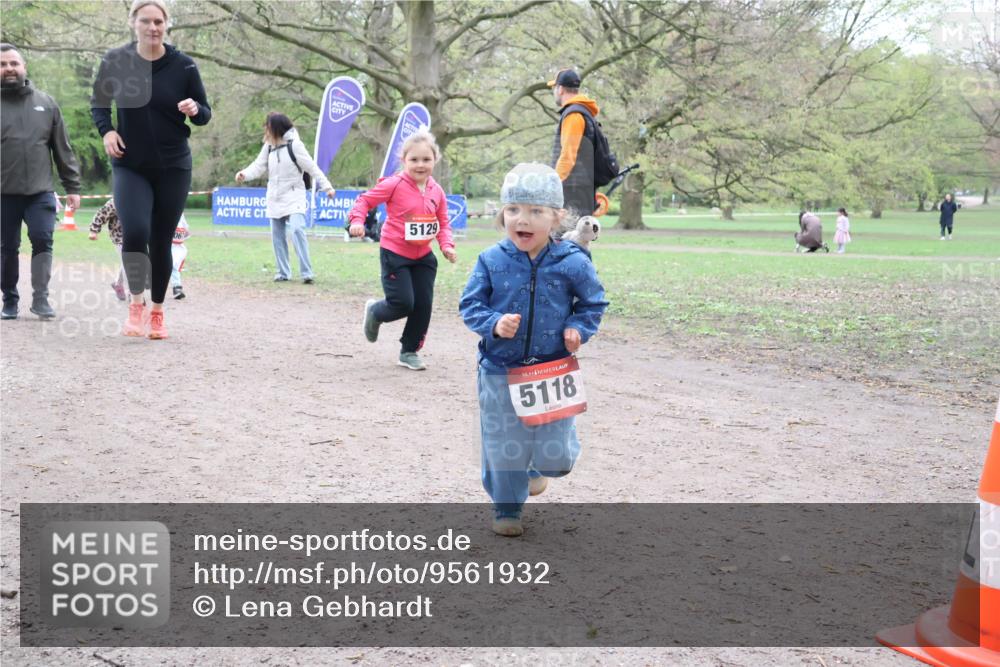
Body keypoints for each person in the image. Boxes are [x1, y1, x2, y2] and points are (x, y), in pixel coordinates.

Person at [459, 163, 608, 537]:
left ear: (557, 217)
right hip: (499, 367)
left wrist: (578, 327)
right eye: (513, 210)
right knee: (502, 443)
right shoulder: (490, 260)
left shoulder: (572, 261)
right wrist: (493, 322)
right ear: (502, 214)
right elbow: (470, 305)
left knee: (556, 458)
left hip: (552, 370)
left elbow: (594, 303)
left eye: (536, 212)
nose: (522, 220)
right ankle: (507, 507)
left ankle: (539, 469)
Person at [91, 0, 211, 339]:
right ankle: (135, 304)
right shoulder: (115, 61)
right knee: (136, 231)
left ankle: (157, 311)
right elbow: (99, 105)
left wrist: (194, 108)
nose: (153, 27)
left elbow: (205, 113)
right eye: (146, 21)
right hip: (130, 164)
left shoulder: (184, 66)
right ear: (134, 23)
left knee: (161, 240)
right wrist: (108, 131)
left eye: (159, 21)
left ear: (167, 25)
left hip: (173, 166)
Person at [349, 130, 457, 371]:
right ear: (404, 161)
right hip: (395, 254)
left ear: (434, 161)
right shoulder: (394, 184)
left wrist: (447, 245)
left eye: (426, 160)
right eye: (414, 160)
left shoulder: (436, 191)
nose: (420, 165)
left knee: (423, 306)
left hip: (423, 258)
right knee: (403, 303)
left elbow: (443, 223)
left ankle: (409, 351)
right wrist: (357, 221)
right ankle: (376, 312)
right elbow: (365, 201)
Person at [1, 43, 81, 320]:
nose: (9, 69)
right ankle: (9, 300)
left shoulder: (46, 104)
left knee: (43, 240)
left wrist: (72, 187)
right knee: (7, 248)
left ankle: (41, 298)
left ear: (24, 67)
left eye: (13, 63)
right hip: (3, 195)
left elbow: (63, 149)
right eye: (2, 65)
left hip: (40, 192)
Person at [235, 112, 335, 284]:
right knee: (277, 235)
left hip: (294, 194)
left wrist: (327, 187)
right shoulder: (268, 146)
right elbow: (258, 166)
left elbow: (312, 168)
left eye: (267, 127)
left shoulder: (295, 145)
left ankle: (307, 272)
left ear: (276, 128)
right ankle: (283, 272)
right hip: (274, 196)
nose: (265, 130)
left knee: (297, 229)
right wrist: (244, 174)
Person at [549, 68, 600, 218]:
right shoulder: (581, 112)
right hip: (579, 188)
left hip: (573, 190)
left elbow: (568, 156)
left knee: (567, 238)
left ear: (560, 89)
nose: (554, 92)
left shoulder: (574, 115)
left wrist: (553, 185)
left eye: (554, 87)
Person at [88, 198, 128, 301]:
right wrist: (94, 230)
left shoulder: (143, 198)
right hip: (120, 237)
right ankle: (134, 294)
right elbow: (102, 213)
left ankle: (118, 284)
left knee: (128, 263)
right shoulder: (118, 199)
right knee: (129, 263)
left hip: (137, 236)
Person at [170, 213, 189, 299]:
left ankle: (177, 288)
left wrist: (184, 231)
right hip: (163, 245)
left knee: (174, 265)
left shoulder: (180, 213)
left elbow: (186, 231)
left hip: (177, 247)